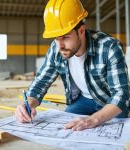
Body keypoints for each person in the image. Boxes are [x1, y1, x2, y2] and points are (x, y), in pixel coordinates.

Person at [15, 0, 130, 131]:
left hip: (109, 101)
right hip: (84, 100)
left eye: (65, 37)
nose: (60, 46)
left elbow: (121, 95)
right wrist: (28, 104)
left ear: (81, 31)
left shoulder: (109, 47)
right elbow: (40, 83)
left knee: (119, 126)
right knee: (69, 125)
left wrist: (93, 119)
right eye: (56, 38)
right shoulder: (56, 48)